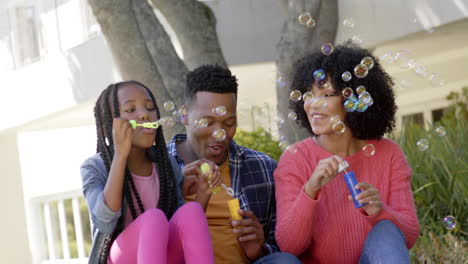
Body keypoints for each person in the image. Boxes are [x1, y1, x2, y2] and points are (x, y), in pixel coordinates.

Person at [274, 43, 420, 263]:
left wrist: (380, 212)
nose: (313, 104)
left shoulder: (389, 153)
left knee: (386, 233)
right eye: (309, 94)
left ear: (355, 101)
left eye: (327, 94)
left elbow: (408, 236)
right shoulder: (295, 159)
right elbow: (289, 246)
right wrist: (311, 189)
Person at [167, 65, 301, 264]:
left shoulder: (263, 168)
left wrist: (260, 249)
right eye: (207, 122)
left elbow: (284, 245)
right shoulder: (159, 170)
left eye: (229, 123)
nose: (219, 134)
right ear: (184, 115)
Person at [80, 80, 217, 264]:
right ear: (108, 128)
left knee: (191, 210)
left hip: (162, 256)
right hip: (120, 257)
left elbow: (180, 228)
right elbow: (105, 221)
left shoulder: (165, 164)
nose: (145, 115)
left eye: (150, 108)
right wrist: (120, 155)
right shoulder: (94, 167)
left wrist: (202, 195)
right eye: (130, 110)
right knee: (154, 219)